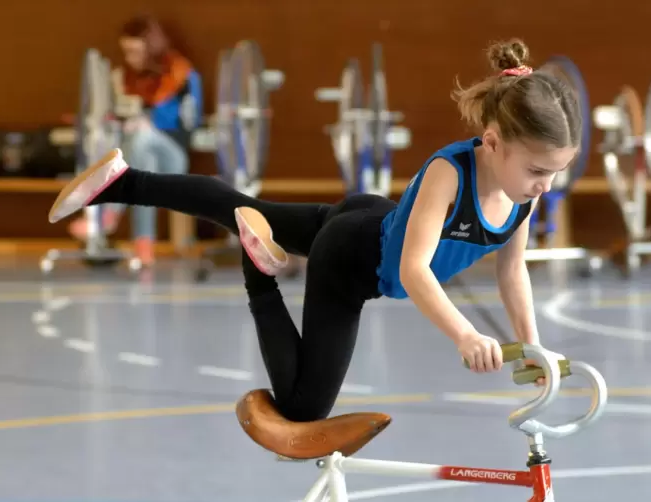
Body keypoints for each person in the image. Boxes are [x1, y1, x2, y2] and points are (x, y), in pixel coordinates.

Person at [48, 38, 580, 446]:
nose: (546, 185)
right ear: (492, 143)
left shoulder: (523, 196)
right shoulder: (452, 172)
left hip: (368, 218)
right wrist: (465, 336)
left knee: (243, 208)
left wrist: (533, 349)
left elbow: (513, 271)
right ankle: (259, 272)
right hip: (350, 260)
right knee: (302, 411)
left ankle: (121, 182)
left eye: (557, 171)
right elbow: (416, 271)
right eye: (538, 169)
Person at [68, 14, 203, 267]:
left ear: (150, 48)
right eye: (126, 52)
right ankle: (143, 246)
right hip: (139, 156)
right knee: (141, 167)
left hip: (173, 156)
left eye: (136, 52)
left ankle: (110, 212)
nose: (131, 59)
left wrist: (149, 122)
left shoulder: (181, 74)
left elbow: (190, 122)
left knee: (141, 138)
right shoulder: (124, 78)